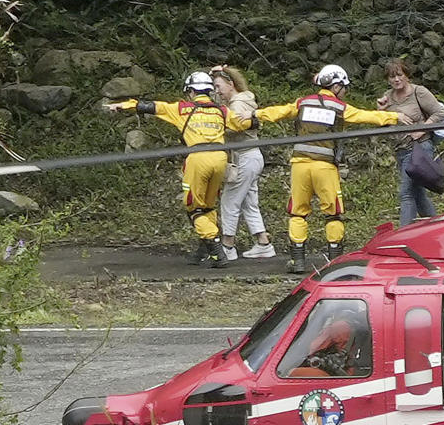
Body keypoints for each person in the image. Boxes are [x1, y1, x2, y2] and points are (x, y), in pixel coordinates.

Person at [242, 64, 409, 272]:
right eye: (344, 87)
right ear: (336, 86)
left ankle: (298, 260)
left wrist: (256, 115)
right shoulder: (340, 107)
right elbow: (365, 116)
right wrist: (394, 117)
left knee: (298, 213)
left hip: (300, 166)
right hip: (325, 168)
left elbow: (280, 112)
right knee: (333, 214)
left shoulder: (303, 102)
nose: (345, 91)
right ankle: (334, 262)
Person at [105, 71, 249, 267]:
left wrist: (123, 105)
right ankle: (203, 251)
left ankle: (217, 249)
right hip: (220, 158)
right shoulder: (221, 110)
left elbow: (151, 106)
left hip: (198, 159)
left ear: (190, 91)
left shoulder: (182, 109)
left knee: (194, 208)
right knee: (208, 206)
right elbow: (244, 123)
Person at [209, 65, 275, 261]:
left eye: (218, 86)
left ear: (231, 84)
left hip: (245, 157)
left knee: (230, 201)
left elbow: (233, 127)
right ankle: (263, 242)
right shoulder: (244, 99)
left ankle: (227, 245)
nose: (217, 91)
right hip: (251, 156)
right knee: (249, 203)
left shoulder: (237, 105)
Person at [376, 58, 444, 226]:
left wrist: (422, 128)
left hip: (419, 148)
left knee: (406, 193)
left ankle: (403, 235)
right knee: (418, 193)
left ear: (407, 75)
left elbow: (439, 113)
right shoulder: (387, 97)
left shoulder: (418, 92)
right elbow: (384, 123)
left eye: (399, 75)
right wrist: (380, 111)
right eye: (392, 77)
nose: (396, 80)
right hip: (400, 150)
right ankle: (435, 227)